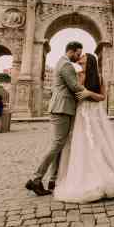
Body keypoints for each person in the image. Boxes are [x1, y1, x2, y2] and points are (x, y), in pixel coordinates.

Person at [52, 52, 114, 203]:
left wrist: (88, 93)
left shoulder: (99, 77)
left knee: (97, 144)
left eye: (83, 58)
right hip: (80, 114)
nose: (80, 59)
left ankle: (100, 175)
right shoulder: (76, 75)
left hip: (93, 113)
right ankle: (80, 175)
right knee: (80, 144)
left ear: (89, 61)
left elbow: (102, 97)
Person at [26, 41, 92, 196]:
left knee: (60, 145)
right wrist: (92, 93)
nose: (79, 56)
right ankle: (36, 179)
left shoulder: (62, 63)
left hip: (63, 108)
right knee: (57, 145)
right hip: (62, 108)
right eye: (78, 53)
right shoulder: (67, 65)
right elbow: (75, 87)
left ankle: (53, 180)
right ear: (71, 51)